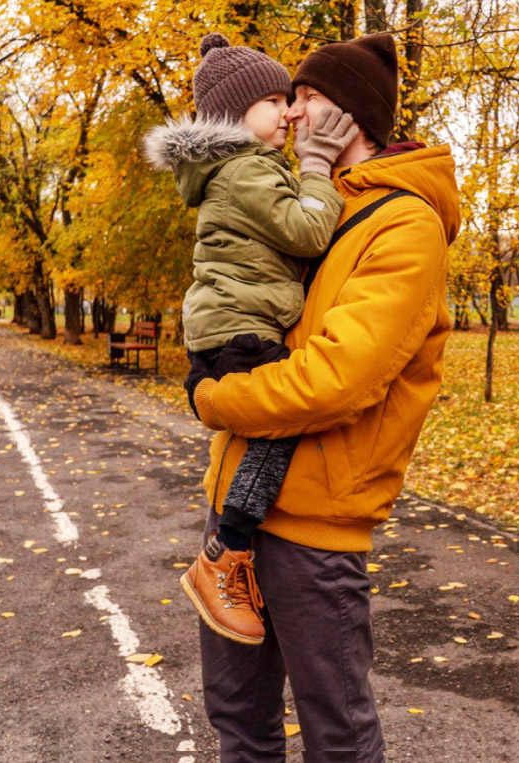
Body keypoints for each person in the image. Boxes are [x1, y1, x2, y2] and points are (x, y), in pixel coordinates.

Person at [188, 33, 460, 762]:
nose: (293, 115)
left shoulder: (407, 224)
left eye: (304, 97)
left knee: (336, 732)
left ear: (351, 114)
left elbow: (336, 381)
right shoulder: (315, 207)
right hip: (238, 508)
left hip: (313, 529)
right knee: (238, 717)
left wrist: (216, 397)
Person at [143, 33, 360, 645]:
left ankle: (230, 550)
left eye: (294, 99)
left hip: (228, 322)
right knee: (284, 426)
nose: (290, 113)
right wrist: (318, 166)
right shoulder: (243, 170)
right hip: (240, 325)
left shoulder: (239, 168)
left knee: (267, 433)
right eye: (276, 100)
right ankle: (226, 553)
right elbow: (308, 232)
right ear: (238, 114)